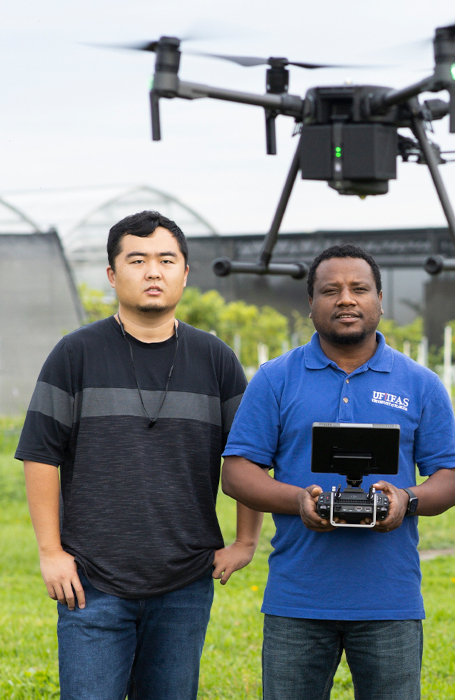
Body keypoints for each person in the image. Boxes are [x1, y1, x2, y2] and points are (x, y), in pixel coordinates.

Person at [15, 210, 263, 700]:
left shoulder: (216, 359)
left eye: (167, 260)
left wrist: (246, 541)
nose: (154, 272)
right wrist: (51, 553)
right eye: (138, 260)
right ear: (112, 274)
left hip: (185, 582)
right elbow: (41, 455)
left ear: (185, 273)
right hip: (91, 581)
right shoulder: (75, 354)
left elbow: (247, 455)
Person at [221, 243, 455, 700]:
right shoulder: (275, 379)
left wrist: (405, 500)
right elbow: (236, 473)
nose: (346, 299)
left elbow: (451, 479)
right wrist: (297, 500)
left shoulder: (419, 383)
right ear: (310, 304)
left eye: (359, 289)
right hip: (298, 599)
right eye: (330, 290)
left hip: (389, 601)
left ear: (379, 299)